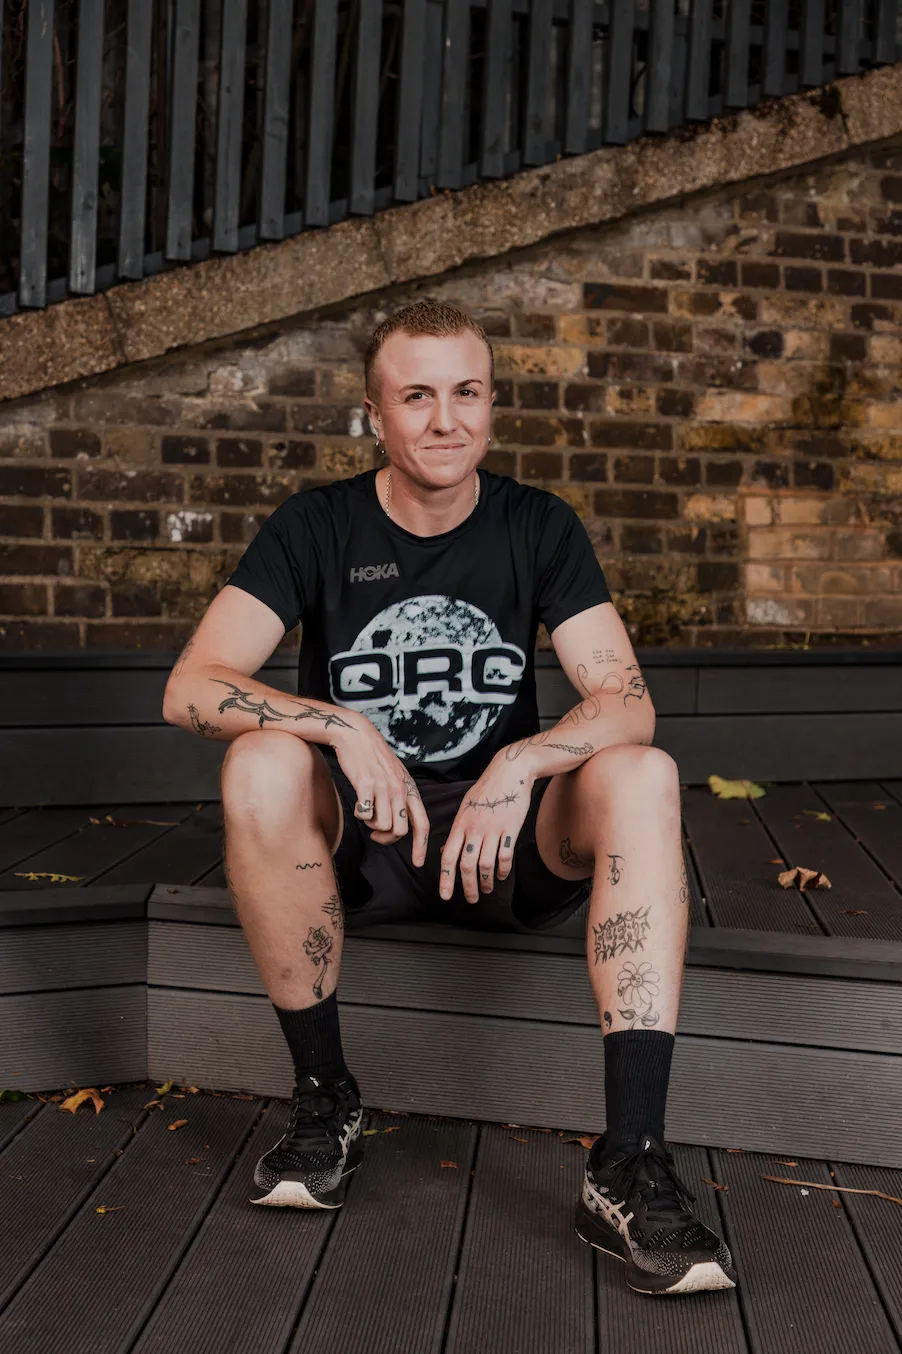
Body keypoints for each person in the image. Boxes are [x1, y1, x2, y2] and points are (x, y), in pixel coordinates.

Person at [162, 299, 736, 1297]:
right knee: (258, 761)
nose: (444, 419)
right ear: (374, 415)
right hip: (366, 842)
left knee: (642, 772)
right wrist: (340, 727)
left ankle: (629, 1158)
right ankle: (325, 1097)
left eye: (466, 392)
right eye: (416, 396)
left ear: (492, 404)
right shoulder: (316, 524)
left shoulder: (536, 524)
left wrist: (520, 765)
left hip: (504, 849)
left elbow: (627, 702)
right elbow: (190, 687)